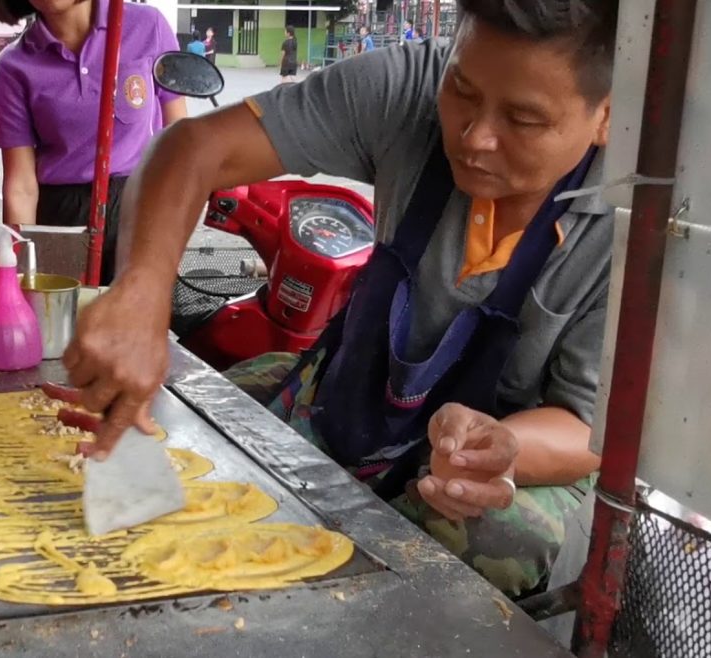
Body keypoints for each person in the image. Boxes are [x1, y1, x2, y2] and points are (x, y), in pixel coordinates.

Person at [63, 0, 617, 599]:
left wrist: (503, 448)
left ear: (609, 117)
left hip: (499, 459)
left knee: (485, 549)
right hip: (355, 389)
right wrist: (142, 295)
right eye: (462, 88)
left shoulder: (633, 230)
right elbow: (195, 147)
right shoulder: (406, 89)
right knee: (202, 447)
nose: (475, 135)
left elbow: (589, 429)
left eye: (524, 120)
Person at [0, 0, 187, 285]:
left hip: (140, 206)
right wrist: (21, 270)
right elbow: (21, 186)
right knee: (61, 324)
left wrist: (173, 225)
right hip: (60, 219)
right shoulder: (14, 66)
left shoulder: (147, 25)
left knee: (133, 323)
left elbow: (178, 137)